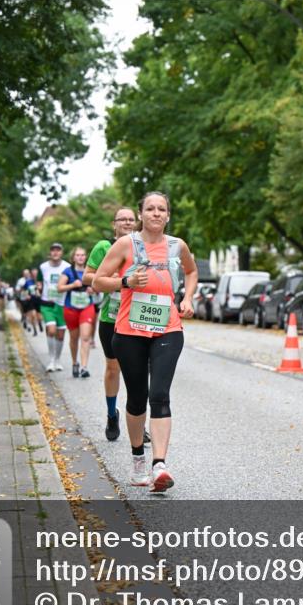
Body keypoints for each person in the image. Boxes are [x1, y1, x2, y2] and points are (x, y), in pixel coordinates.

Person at [94, 191, 197, 492]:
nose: (155, 213)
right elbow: (98, 280)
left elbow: (191, 272)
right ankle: (138, 457)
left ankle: (159, 465)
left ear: (168, 215)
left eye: (161, 209)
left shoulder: (178, 246)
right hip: (128, 332)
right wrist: (125, 281)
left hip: (168, 329)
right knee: (137, 398)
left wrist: (188, 298)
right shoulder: (125, 244)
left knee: (160, 394)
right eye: (150, 208)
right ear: (141, 214)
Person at [84, 206, 149, 443]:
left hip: (138, 317)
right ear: (114, 224)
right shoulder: (104, 247)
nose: (127, 222)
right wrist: (119, 281)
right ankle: (112, 414)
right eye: (122, 219)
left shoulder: (144, 246)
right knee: (113, 369)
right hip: (111, 318)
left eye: (131, 219)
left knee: (138, 372)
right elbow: (87, 277)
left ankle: (138, 422)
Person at [58, 246, 96, 378]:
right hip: (71, 308)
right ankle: (75, 363)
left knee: (85, 337)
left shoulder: (90, 272)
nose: (80, 257)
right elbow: (59, 288)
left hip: (87, 307)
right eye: (78, 255)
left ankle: (84, 367)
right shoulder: (67, 271)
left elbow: (99, 286)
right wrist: (72, 285)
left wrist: (94, 290)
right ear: (73, 257)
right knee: (74, 338)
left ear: (86, 257)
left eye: (83, 255)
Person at [37, 243, 71, 372]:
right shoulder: (43, 267)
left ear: (62, 252)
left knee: (61, 335)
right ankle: (51, 360)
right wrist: (39, 287)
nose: (55, 253)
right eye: (53, 250)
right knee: (51, 330)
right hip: (47, 303)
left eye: (58, 250)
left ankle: (57, 360)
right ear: (50, 253)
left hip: (62, 304)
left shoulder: (67, 267)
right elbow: (39, 281)